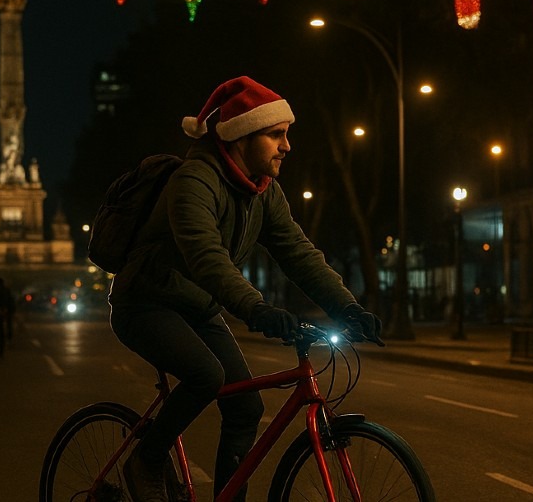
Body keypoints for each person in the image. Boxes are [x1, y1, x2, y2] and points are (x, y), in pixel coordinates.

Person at [108, 76, 383, 502]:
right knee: (206, 374)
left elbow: (298, 254)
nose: (287, 146)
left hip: (197, 307)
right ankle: (146, 458)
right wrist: (257, 309)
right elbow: (207, 257)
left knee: (247, 407)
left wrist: (348, 308)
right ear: (242, 136)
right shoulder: (194, 181)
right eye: (276, 134)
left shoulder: (264, 193)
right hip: (146, 301)